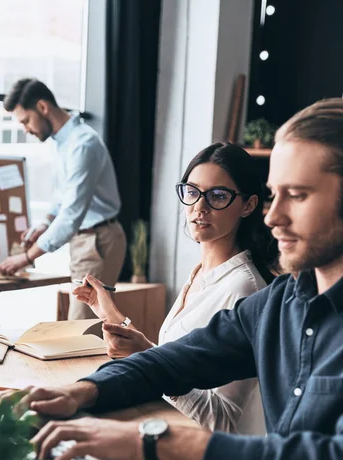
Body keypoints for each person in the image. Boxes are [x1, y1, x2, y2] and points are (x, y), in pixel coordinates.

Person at [0, 98, 343, 460]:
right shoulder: (280, 302)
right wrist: (81, 393)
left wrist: (153, 440)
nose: (274, 217)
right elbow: (174, 360)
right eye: (276, 195)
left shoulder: (252, 288)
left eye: (299, 195)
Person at [72, 143, 278, 433]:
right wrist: (111, 315)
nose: (199, 207)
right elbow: (174, 358)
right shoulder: (201, 273)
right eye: (192, 192)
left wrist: (148, 360)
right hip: (171, 432)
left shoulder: (244, 288)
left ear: (248, 205)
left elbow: (222, 420)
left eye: (218, 196)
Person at [0, 78, 126, 320]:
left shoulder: (83, 145)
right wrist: (45, 223)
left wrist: (25, 258)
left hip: (97, 240)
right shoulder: (63, 142)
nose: (25, 129)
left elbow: (71, 215)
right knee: (80, 328)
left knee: (81, 329)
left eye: (25, 121)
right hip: (86, 240)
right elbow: (62, 195)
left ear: (43, 107)